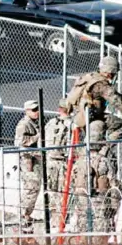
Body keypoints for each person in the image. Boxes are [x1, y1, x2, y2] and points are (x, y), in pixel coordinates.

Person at [66, 56, 122, 154]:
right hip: (91, 117)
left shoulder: (90, 77)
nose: (114, 76)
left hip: (78, 115)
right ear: (110, 73)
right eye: (114, 73)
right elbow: (121, 105)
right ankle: (104, 149)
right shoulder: (101, 85)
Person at [72, 121, 122, 235]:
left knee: (83, 221)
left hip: (82, 197)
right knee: (101, 224)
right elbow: (113, 183)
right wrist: (115, 205)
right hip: (100, 197)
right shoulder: (104, 161)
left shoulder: (80, 161)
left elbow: (72, 180)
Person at [45, 98, 72, 232]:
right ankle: (61, 221)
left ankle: (54, 221)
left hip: (50, 160)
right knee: (63, 192)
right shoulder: (71, 124)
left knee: (52, 191)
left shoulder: (51, 123)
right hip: (63, 162)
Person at [15, 100, 41, 226]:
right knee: (31, 188)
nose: (37, 112)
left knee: (34, 188)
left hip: (34, 158)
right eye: (34, 110)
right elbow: (21, 141)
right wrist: (37, 137)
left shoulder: (34, 123)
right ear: (27, 111)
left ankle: (26, 214)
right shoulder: (24, 124)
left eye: (37, 109)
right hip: (27, 160)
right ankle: (23, 215)